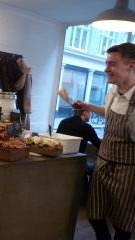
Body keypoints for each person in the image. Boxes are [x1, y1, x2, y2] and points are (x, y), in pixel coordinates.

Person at [72, 42, 135, 240]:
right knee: (94, 214)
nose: (106, 69)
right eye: (106, 63)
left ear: (131, 66)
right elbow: (109, 112)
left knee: (124, 223)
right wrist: (86, 105)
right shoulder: (112, 93)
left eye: (112, 64)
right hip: (103, 162)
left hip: (129, 170)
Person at [57, 109, 102, 204]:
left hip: (60, 160)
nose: (91, 115)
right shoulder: (87, 127)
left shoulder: (63, 122)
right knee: (97, 170)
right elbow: (98, 144)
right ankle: (87, 198)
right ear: (85, 113)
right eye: (91, 112)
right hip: (78, 162)